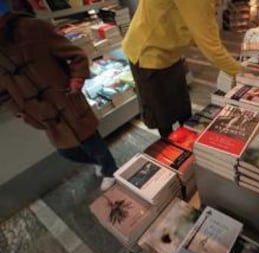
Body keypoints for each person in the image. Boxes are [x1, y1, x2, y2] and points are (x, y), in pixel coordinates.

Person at [0, 12, 117, 191]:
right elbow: (3, 93)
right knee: (67, 151)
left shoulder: (32, 28)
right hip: (42, 112)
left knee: (92, 142)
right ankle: (99, 163)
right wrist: (21, 110)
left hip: (66, 100)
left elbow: (75, 55)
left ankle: (110, 170)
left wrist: (76, 81)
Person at [123, 0, 241, 137]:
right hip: (148, 54)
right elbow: (209, 44)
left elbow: (201, 27)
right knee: (164, 118)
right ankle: (175, 152)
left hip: (169, 50)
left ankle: (188, 142)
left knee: (182, 109)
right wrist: (242, 73)